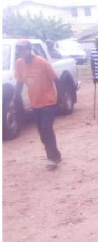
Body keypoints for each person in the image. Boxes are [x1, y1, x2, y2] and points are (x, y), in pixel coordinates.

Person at [11, 39, 62, 170]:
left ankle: (51, 158)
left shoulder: (42, 62)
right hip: (35, 103)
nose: (20, 52)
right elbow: (19, 82)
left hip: (49, 102)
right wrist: (14, 99)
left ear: (29, 49)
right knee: (42, 132)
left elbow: (56, 80)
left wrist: (59, 99)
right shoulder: (19, 63)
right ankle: (55, 154)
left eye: (22, 49)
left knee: (46, 128)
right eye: (19, 50)